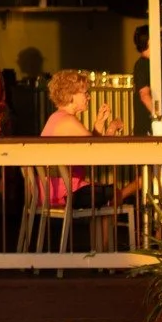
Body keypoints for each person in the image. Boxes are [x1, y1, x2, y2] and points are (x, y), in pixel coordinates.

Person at [38, 69, 132, 227]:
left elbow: (90, 144)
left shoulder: (55, 118)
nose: (89, 96)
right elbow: (97, 152)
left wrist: (99, 124)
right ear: (71, 95)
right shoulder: (68, 121)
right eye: (85, 93)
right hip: (65, 193)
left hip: (49, 191)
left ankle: (100, 248)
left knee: (106, 194)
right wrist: (111, 129)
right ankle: (105, 248)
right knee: (112, 193)